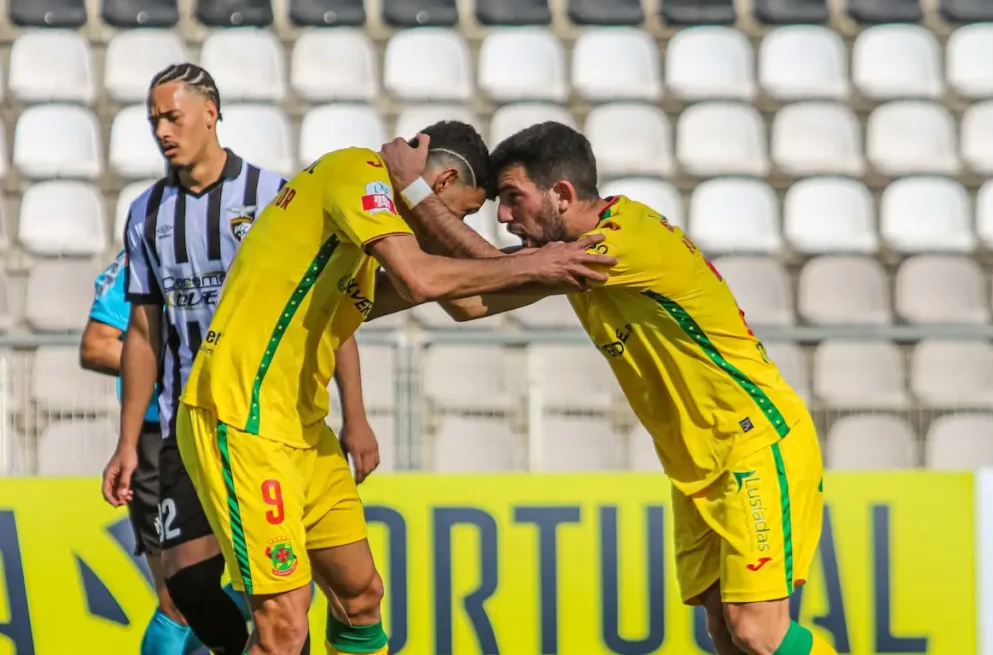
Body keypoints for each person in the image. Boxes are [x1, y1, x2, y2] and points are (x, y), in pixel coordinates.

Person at [371, 121, 838, 655]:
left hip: (753, 442)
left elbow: (492, 269)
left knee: (759, 631)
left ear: (562, 195)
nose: (502, 216)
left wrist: (412, 193)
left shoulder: (623, 239)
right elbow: (469, 301)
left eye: (513, 198)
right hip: (698, 463)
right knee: (725, 633)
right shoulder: (573, 258)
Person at [173, 120, 616, 655]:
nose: (455, 226)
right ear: (444, 178)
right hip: (243, 417)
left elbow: (464, 300)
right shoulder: (356, 170)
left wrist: (556, 276)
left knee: (361, 596)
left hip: (303, 430)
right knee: (284, 625)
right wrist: (537, 262)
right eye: (467, 212)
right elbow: (424, 278)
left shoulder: (358, 251)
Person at [99, 62, 313, 655]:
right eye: (154, 121)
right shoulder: (146, 213)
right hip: (187, 429)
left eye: (173, 116)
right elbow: (143, 333)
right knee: (187, 587)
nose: (163, 131)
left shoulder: (273, 198)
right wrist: (125, 442)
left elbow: (325, 313)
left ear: (211, 113)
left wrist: (356, 414)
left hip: (267, 425)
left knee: (290, 596)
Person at [82, 252, 206, 655]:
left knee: (266, 595)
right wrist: (181, 369)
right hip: (160, 440)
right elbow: (97, 346)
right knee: (179, 603)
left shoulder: (237, 237)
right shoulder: (144, 254)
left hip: (231, 432)